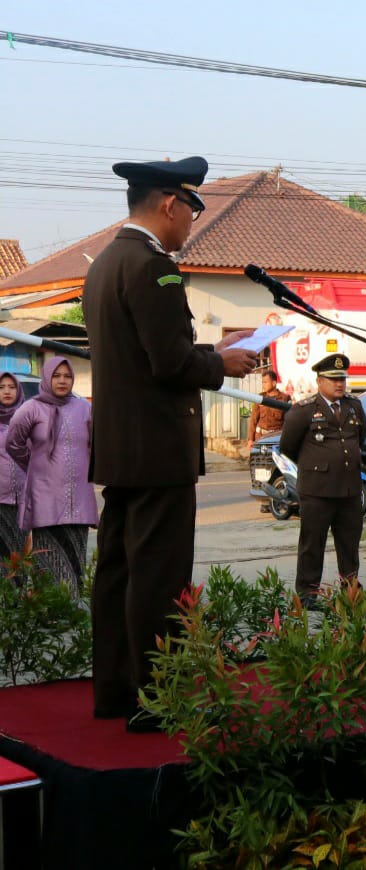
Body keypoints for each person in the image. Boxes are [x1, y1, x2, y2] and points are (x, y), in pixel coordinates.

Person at [83, 155, 259, 731]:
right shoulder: (154, 267)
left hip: (120, 447)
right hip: (158, 448)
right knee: (159, 578)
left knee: (118, 574)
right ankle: (160, 699)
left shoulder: (108, 262)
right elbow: (169, 362)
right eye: (191, 209)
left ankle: (114, 693)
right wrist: (222, 362)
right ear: (168, 204)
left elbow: (141, 352)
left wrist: (208, 348)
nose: (191, 224)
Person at [280, 353, 366, 602]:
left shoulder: (354, 406)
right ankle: (308, 593)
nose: (339, 383)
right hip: (317, 491)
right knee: (312, 544)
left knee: (349, 544)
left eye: (342, 378)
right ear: (319, 382)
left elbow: (358, 439)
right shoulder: (305, 410)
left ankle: (349, 591)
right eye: (332, 379)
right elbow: (288, 446)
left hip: (349, 490)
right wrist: (316, 465)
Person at [5, 357, 97, 594]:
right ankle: (50, 610)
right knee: (48, 556)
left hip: (79, 497)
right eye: (56, 376)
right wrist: (35, 467)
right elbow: (14, 444)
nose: (62, 381)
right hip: (45, 496)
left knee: (76, 556)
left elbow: (98, 444)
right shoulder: (30, 409)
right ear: (47, 378)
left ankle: (72, 608)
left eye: (67, 376)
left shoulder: (84, 408)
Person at [0, 373, 26, 560]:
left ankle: (19, 589)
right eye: (1, 387)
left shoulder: (29, 419)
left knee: (19, 556)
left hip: (24, 500)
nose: (7, 391)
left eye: (12, 387)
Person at [246, 369, 288, 449]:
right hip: (260, 437)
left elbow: (287, 421)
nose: (263, 385)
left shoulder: (284, 398)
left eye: (265, 382)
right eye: (262, 382)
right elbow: (253, 420)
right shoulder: (259, 398)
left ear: (274, 383)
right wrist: (250, 439)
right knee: (258, 460)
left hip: (277, 438)